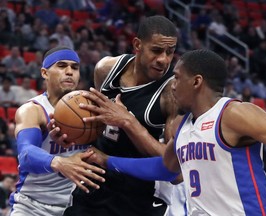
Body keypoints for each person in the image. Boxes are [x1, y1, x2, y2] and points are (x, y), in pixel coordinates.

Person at [85, 49, 266, 215]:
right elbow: (166, 169)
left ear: (196, 82)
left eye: (177, 78)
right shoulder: (184, 126)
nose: (172, 86)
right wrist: (107, 161)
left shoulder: (233, 113)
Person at [51, 15, 184, 216]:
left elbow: (175, 170)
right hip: (93, 185)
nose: (163, 59)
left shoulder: (172, 93)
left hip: (139, 196)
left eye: (170, 52)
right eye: (156, 50)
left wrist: (128, 121)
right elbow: (96, 126)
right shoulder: (106, 69)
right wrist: (70, 135)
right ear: (138, 45)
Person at [9, 46, 105, 216]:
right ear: (45, 73)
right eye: (61, 66)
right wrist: (60, 163)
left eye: (74, 68)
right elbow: (26, 154)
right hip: (31, 206)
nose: (69, 72)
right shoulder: (33, 110)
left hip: (73, 206)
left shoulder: (89, 108)